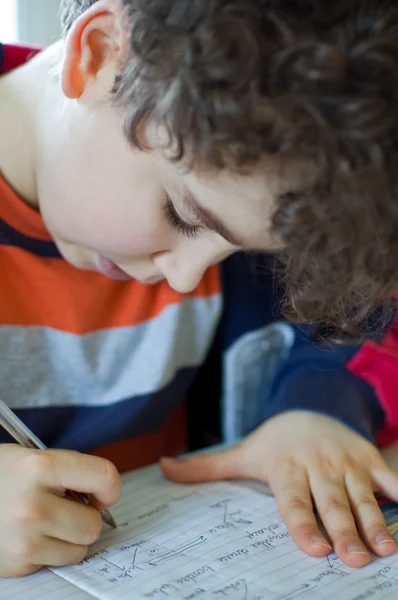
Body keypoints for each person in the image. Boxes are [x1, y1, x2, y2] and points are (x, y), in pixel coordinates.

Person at [2, 0, 398, 578]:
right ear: (102, 55)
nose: (189, 278)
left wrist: (318, 409)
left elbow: (360, 323)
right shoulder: (204, 125)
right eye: (183, 215)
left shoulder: (248, 164)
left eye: (239, 247)